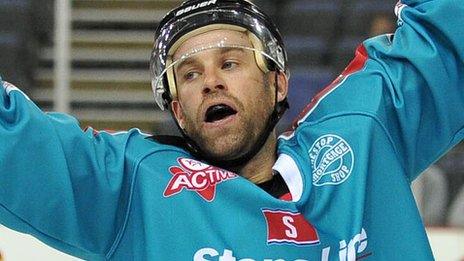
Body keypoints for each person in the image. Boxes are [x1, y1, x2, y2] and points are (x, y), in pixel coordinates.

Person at [0, 0, 463, 260]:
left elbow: (444, 38)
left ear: (278, 81)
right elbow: (19, 146)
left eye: (230, 62)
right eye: (190, 74)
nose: (211, 81)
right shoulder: (132, 187)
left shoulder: (359, 136)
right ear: (179, 112)